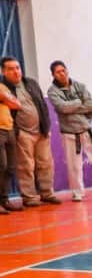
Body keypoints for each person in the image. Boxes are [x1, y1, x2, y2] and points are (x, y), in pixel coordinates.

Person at [46, 61, 92, 202]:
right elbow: (62, 108)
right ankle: (77, 192)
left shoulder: (80, 86)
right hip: (69, 132)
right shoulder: (52, 91)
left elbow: (91, 105)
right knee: (74, 165)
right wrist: (78, 103)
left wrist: (73, 108)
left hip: (87, 128)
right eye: (58, 72)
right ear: (53, 75)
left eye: (63, 70)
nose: (62, 73)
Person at [1, 57, 59, 207]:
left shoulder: (31, 83)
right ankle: (30, 197)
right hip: (23, 133)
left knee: (46, 164)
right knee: (25, 167)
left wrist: (46, 126)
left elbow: (42, 105)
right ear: (3, 71)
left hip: (41, 131)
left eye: (17, 68)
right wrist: (17, 131)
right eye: (11, 69)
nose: (16, 71)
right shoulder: (3, 87)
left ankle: (47, 193)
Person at [0, 74, 19, 212]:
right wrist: (6, 99)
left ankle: (4, 199)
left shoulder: (3, 86)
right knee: (1, 166)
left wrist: (4, 97)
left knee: (11, 167)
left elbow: (17, 105)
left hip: (9, 128)